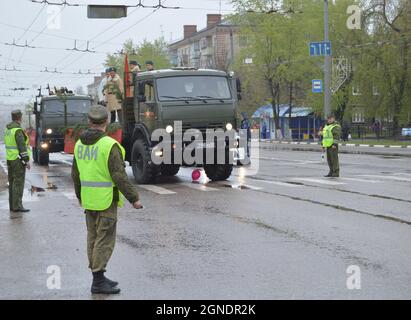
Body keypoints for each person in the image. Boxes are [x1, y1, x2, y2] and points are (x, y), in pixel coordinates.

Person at [71, 105, 143, 294]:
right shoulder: (109, 145)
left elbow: (75, 174)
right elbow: (119, 176)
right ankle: (97, 281)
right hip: (105, 200)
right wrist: (134, 198)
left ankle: (99, 277)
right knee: (104, 239)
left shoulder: (79, 144)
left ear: (89, 122)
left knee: (93, 237)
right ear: (106, 122)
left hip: (89, 200)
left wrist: (79, 195)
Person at [4, 110, 31, 216]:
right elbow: (21, 146)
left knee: (12, 182)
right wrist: (26, 160)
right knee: (18, 183)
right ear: (20, 117)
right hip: (18, 160)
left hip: (10, 159)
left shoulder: (8, 129)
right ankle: (18, 206)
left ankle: (12, 205)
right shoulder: (18, 131)